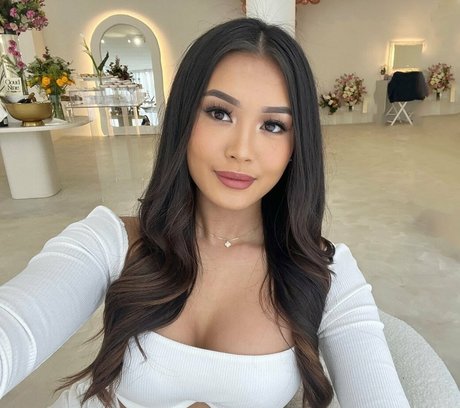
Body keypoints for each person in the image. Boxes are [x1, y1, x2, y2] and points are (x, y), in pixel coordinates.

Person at [0, 18, 410, 408]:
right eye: (219, 113)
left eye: (273, 125)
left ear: (295, 145)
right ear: (184, 118)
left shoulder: (326, 273)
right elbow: (14, 328)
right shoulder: (110, 242)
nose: (241, 150)